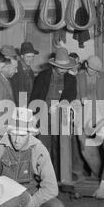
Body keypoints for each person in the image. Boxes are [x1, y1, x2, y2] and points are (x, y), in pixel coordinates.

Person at [30, 47, 77, 180]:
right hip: (43, 117)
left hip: (60, 117)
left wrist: (60, 105)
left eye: (66, 68)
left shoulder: (71, 79)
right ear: (55, 65)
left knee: (60, 148)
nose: (63, 70)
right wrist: (34, 115)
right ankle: (43, 176)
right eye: (61, 67)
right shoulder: (43, 76)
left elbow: (71, 96)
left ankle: (57, 177)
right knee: (43, 147)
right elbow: (35, 97)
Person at [75, 55, 104, 178]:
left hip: (100, 116)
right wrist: (79, 100)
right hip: (83, 116)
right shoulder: (78, 77)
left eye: (97, 71)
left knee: (102, 146)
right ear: (86, 65)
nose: (95, 73)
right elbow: (73, 96)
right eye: (92, 69)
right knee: (85, 147)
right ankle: (97, 173)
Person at [11, 42, 39, 106]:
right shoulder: (16, 70)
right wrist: (22, 108)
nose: (31, 59)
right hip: (19, 105)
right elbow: (15, 92)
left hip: (27, 104)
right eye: (28, 57)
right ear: (22, 56)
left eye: (32, 57)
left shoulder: (30, 71)